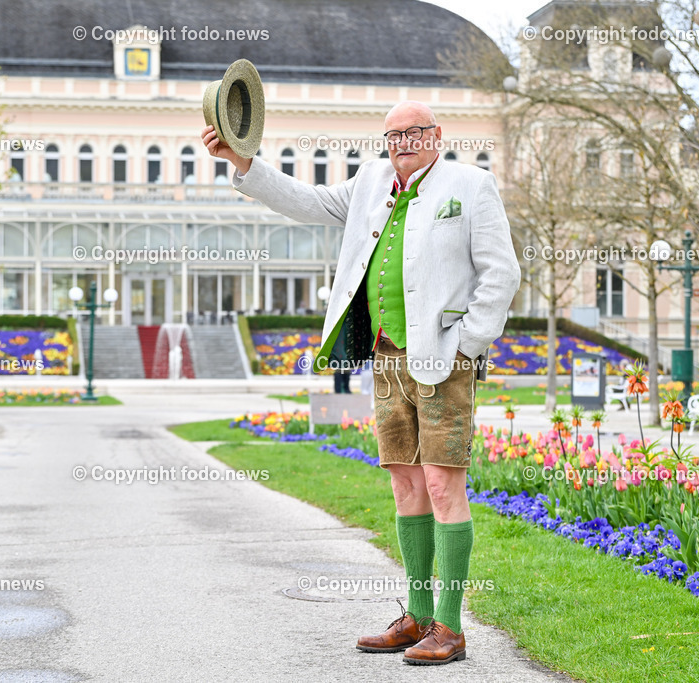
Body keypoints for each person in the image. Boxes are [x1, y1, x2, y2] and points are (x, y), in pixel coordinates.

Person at [202, 101, 520, 666]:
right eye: (394, 134)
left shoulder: (471, 186)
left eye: (415, 132)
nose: (404, 142)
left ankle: (450, 627)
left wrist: (468, 343)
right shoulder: (371, 181)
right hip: (385, 356)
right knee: (405, 484)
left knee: (442, 485)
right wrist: (242, 162)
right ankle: (417, 616)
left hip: (444, 358)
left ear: (437, 135)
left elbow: (502, 272)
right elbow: (306, 201)